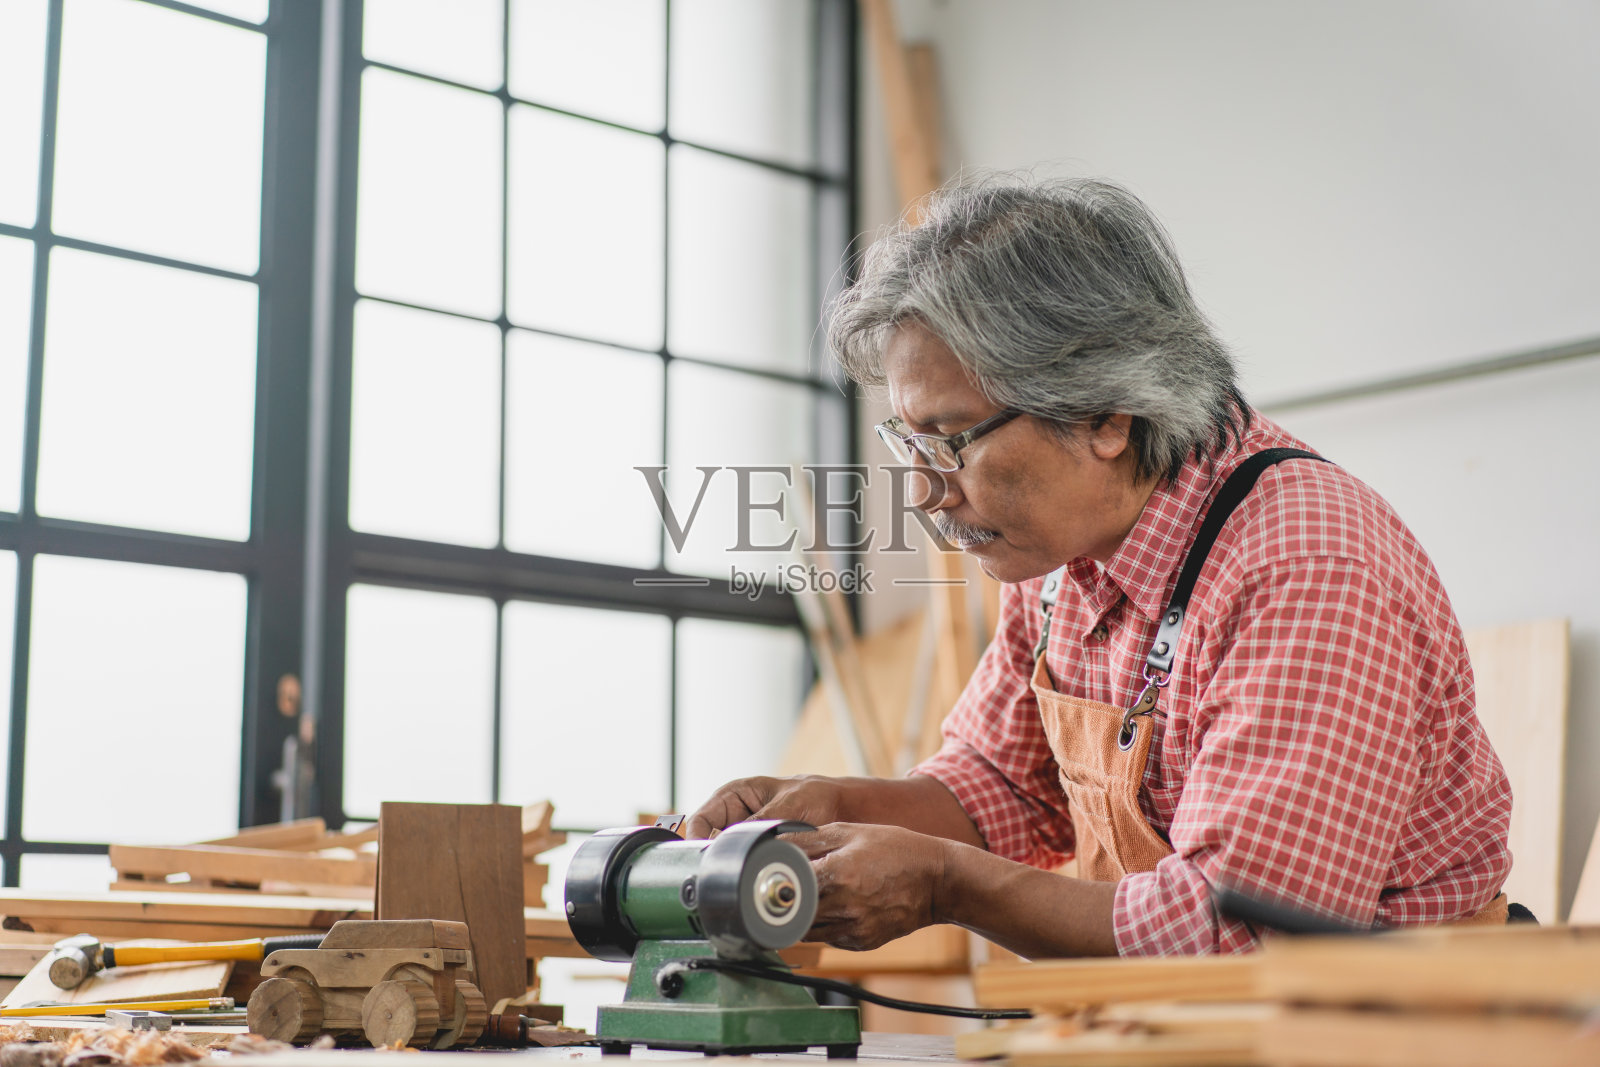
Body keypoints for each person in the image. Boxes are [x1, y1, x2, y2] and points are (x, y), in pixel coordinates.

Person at [685, 176, 1512, 957]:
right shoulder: (1057, 559)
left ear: (1104, 415)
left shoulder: (1304, 566)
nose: (928, 492)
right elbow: (1000, 787)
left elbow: (1240, 937)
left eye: (953, 441)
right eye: (909, 440)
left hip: (1392, 1029)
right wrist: (834, 806)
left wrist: (945, 884)